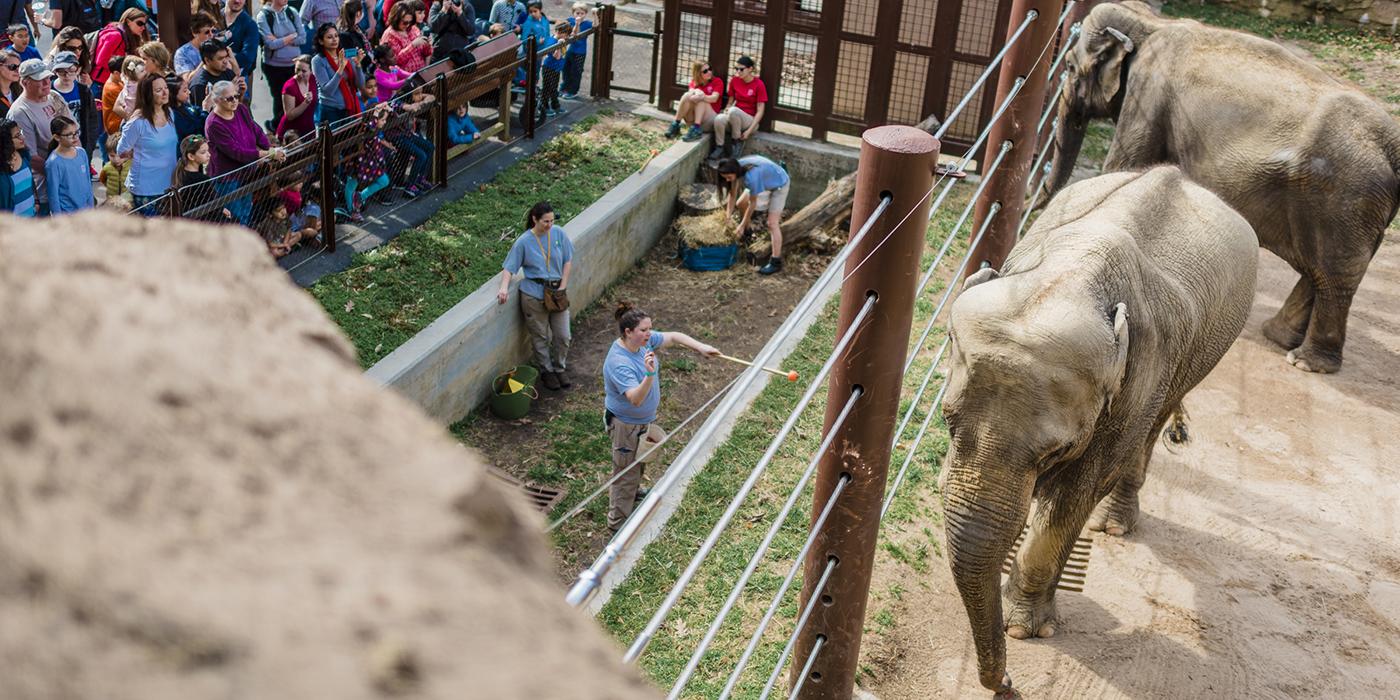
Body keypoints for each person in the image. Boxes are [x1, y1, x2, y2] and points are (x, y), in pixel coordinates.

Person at [601, 302, 718, 532]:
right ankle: (617, 524)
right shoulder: (618, 362)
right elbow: (635, 398)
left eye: (649, 329)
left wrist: (700, 347)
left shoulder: (642, 342)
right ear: (628, 332)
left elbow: (674, 336)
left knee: (639, 460)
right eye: (644, 330)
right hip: (626, 426)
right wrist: (649, 374)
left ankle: (633, 493)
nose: (649, 334)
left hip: (642, 423)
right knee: (624, 472)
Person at [496, 200, 574, 390]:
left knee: (563, 335)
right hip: (534, 294)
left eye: (552, 221)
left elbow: (567, 261)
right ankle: (546, 371)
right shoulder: (523, 241)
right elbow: (509, 268)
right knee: (540, 336)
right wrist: (504, 288)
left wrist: (563, 286)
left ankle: (559, 367)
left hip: (557, 293)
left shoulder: (559, 234)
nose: (549, 225)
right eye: (545, 221)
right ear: (535, 219)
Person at [206, 79, 285, 224]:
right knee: (234, 217)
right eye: (229, 98)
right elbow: (237, 152)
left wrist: (269, 148)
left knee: (246, 211)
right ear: (216, 100)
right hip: (227, 178)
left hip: (247, 172)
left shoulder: (241, 109)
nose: (235, 100)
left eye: (236, 96)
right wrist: (269, 154)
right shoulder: (214, 124)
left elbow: (256, 130)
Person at [8, 58, 73, 212]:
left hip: (68, 176)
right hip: (46, 187)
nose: (46, 83)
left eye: (48, 78)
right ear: (25, 83)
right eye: (40, 80)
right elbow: (31, 157)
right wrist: (61, 173)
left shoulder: (54, 97)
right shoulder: (20, 112)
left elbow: (73, 130)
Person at [717, 155, 790, 275]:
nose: (728, 180)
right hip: (765, 180)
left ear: (735, 172)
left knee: (772, 223)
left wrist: (740, 225)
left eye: (729, 177)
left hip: (779, 184)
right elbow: (732, 194)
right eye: (725, 178)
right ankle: (748, 231)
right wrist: (727, 217)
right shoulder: (736, 166)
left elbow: (752, 203)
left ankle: (775, 262)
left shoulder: (751, 178)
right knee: (740, 203)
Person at [117, 74, 179, 214]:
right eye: (158, 90)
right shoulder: (138, 122)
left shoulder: (169, 113)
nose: (165, 92)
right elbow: (121, 150)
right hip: (146, 189)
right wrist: (137, 152)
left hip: (168, 185)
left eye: (166, 88)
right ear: (147, 95)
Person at [256, 0, 305, 127]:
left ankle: (291, 128)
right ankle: (278, 128)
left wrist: (279, 40)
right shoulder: (264, 16)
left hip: (294, 64)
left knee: (296, 98)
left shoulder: (292, 12)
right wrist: (291, 36)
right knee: (280, 100)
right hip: (274, 67)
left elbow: (303, 38)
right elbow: (270, 45)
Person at [337, 105, 390, 222]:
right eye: (383, 119)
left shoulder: (376, 127)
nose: (385, 122)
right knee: (351, 185)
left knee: (384, 180)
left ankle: (360, 196)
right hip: (359, 163)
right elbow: (370, 126)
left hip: (372, 163)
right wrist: (376, 114)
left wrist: (388, 108)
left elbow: (394, 113)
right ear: (375, 119)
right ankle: (352, 210)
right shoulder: (368, 127)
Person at [710, 54, 766, 160]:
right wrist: (727, 108)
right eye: (736, 69)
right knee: (719, 118)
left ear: (750, 69)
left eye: (741, 69)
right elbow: (730, 101)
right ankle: (719, 147)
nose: (738, 72)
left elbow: (760, 110)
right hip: (734, 117)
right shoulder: (735, 80)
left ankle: (737, 143)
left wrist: (749, 131)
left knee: (734, 111)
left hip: (749, 120)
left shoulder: (759, 84)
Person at [173, 133, 232, 222]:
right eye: (203, 152)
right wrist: (221, 210)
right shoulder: (202, 180)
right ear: (191, 156)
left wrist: (221, 209)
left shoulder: (180, 173)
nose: (209, 155)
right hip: (205, 222)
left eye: (208, 151)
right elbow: (213, 206)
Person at [313, 23, 364, 124]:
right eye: (329, 37)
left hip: (350, 107)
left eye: (336, 36)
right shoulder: (318, 60)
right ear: (321, 41)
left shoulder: (345, 55)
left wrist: (358, 65)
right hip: (331, 111)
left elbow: (360, 85)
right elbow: (328, 90)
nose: (334, 39)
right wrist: (340, 69)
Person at [50, 51, 96, 159]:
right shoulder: (50, 92)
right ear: (55, 71)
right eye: (61, 71)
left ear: (78, 69)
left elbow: (93, 118)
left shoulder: (83, 90)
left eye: (71, 70)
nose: (66, 75)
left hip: (81, 143)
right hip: (59, 146)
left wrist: (90, 144)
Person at [44, 115, 94, 213]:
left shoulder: (82, 153)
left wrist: (91, 207)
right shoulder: (53, 163)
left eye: (76, 133)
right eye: (69, 135)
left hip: (86, 212)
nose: (75, 137)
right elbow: (53, 195)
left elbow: (88, 182)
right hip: (68, 215)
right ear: (57, 137)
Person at [666, 60, 721, 142]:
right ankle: (676, 124)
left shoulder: (717, 81)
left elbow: (714, 98)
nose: (709, 72)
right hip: (692, 120)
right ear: (698, 73)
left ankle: (696, 129)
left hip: (709, 121)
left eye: (710, 69)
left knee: (701, 99)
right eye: (705, 71)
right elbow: (690, 96)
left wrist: (703, 96)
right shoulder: (694, 82)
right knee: (686, 95)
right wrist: (696, 93)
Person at [92, 8, 150, 85]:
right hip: (101, 82)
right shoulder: (116, 35)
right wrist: (120, 72)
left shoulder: (130, 36)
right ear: (128, 22)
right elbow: (101, 61)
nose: (143, 27)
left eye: (144, 24)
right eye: (139, 23)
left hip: (115, 81)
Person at [381, 1, 432, 74]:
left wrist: (427, 44)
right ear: (396, 19)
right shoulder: (389, 35)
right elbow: (396, 60)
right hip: (404, 80)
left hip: (421, 75)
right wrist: (413, 45)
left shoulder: (413, 28)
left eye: (410, 22)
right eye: (405, 22)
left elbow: (425, 53)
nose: (408, 25)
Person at [188, 38, 239, 108]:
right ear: (207, 60)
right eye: (220, 58)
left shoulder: (227, 73)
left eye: (226, 57)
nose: (225, 61)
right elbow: (201, 115)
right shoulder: (199, 85)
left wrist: (241, 94)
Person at [277, 54, 315, 139]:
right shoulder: (289, 87)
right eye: (297, 69)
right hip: (291, 135)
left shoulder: (313, 79)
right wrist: (305, 103)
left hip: (309, 130)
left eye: (304, 71)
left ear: (311, 71)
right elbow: (289, 116)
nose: (299, 74)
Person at [534, 21, 566, 123]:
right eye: (566, 33)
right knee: (547, 88)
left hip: (556, 68)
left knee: (554, 88)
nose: (567, 36)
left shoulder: (563, 39)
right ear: (559, 32)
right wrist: (559, 45)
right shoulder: (552, 41)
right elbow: (557, 56)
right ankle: (544, 106)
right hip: (549, 68)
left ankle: (555, 105)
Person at [0, 117, 33, 215]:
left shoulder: (24, 154)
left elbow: (31, 183)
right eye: (17, 136)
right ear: (5, 141)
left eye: (21, 133)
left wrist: (36, 201)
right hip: (12, 226)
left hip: (31, 219)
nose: (22, 138)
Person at [223, 0, 260, 85]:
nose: (237, 1)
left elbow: (247, 57)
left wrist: (219, 60)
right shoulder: (215, 18)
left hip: (236, 80)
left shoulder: (250, 25)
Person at [560, 2, 591, 99]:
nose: (580, 15)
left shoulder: (587, 24)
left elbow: (576, 34)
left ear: (585, 14)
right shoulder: (570, 21)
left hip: (580, 52)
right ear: (573, 13)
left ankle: (573, 91)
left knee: (576, 72)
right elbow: (569, 33)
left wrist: (595, 15)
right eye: (577, 13)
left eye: (582, 13)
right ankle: (564, 88)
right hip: (570, 50)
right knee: (566, 69)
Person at [99, 133, 130, 202]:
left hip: (128, 203)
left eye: (121, 155)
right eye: (112, 156)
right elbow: (102, 179)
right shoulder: (107, 167)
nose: (116, 159)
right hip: (112, 202)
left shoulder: (133, 166)